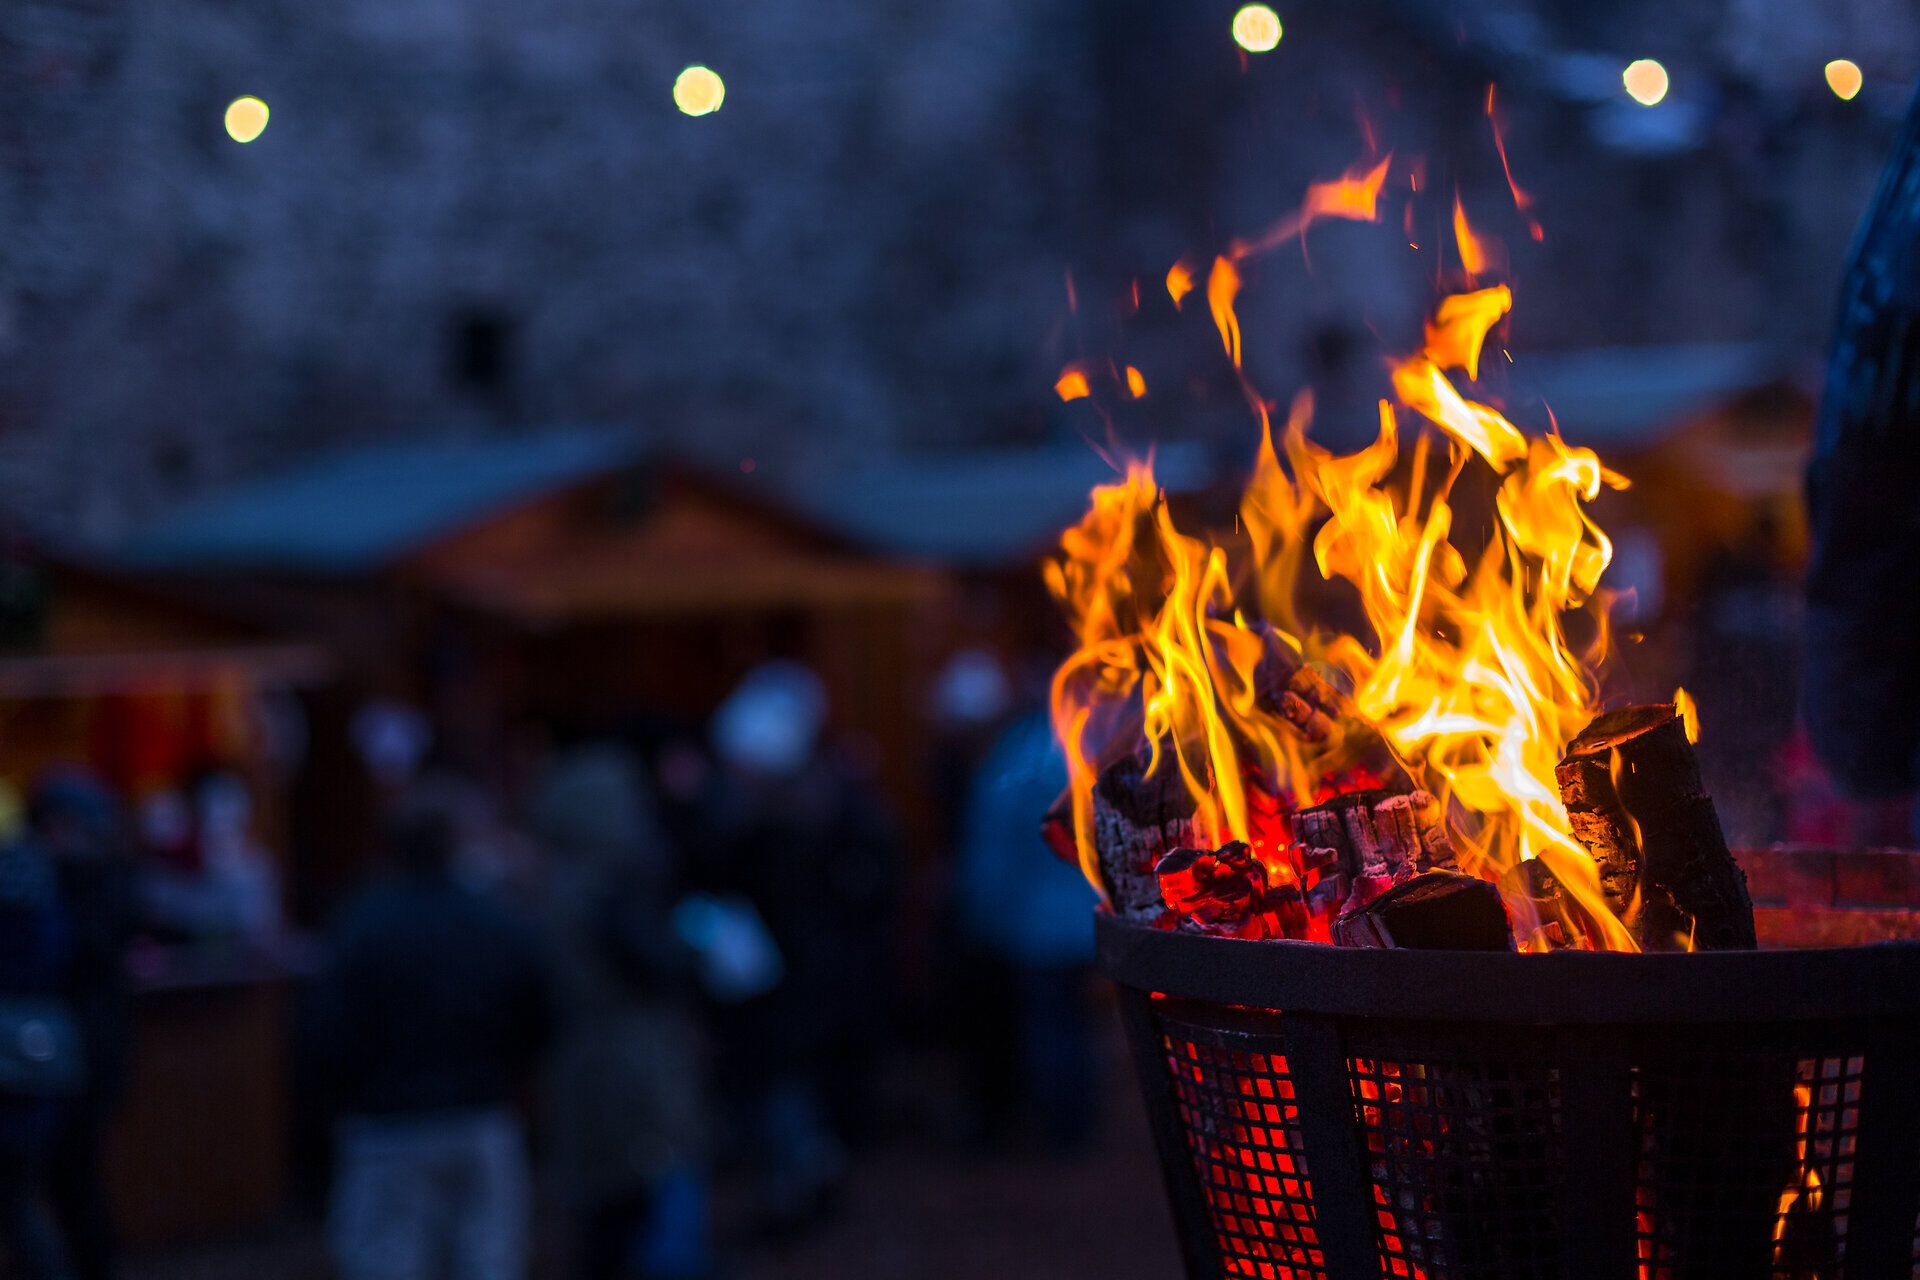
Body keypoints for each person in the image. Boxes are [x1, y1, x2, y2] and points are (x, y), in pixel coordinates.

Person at [316, 779, 555, 1280]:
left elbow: (325, 1034)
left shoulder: (362, 924)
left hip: (390, 1125)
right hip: (478, 1116)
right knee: (486, 1259)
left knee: (389, 1260)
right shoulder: (495, 923)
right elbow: (542, 1014)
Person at [535, 744, 712, 1280]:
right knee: (647, 1196)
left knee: (609, 1207)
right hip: (630, 1067)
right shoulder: (603, 891)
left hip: (585, 1062)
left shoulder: (558, 887)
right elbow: (657, 965)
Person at [952, 708, 1098, 1151]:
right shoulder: (1072, 754)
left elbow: (997, 848)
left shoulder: (1016, 761)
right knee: (1069, 1023)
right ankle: (1073, 1121)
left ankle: (1061, 1128)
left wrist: (982, 915)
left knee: (1051, 1025)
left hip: (1036, 925)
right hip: (1076, 918)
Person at [30, 771, 137, 1280]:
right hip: (87, 1047)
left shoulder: (87, 881)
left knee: (73, 1177)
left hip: (81, 1051)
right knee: (71, 1177)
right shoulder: (100, 875)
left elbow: (86, 955)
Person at [0, 834, 80, 1280]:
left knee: (20, 1205)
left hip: (20, 1068)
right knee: (25, 1201)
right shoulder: (41, 887)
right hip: (39, 1061)